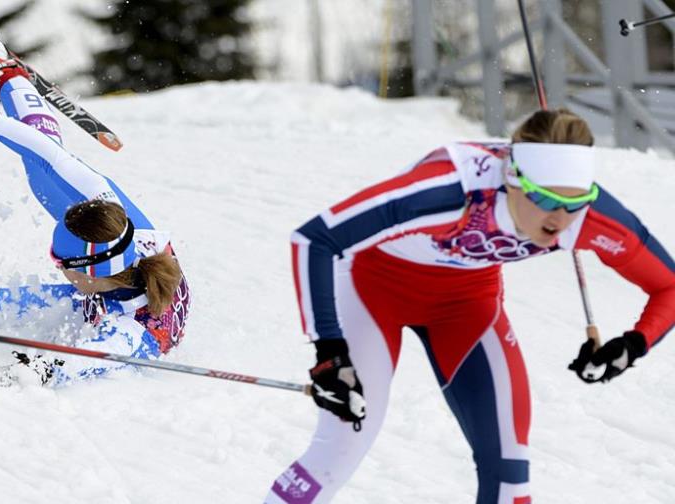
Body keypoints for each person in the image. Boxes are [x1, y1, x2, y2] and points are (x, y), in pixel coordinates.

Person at [265, 109, 675, 503]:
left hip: (467, 302)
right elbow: (315, 238)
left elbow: (669, 286)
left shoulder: (590, 217)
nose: (563, 219)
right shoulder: (447, 190)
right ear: (514, 180)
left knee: (510, 469)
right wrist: (328, 353)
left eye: (577, 202)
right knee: (343, 444)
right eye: (548, 201)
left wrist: (634, 345)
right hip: (374, 286)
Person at [0, 0, 190, 387]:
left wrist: (30, 371)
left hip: (114, 308)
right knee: (44, 171)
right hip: (114, 266)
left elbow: (82, 363)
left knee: (32, 299)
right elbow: (52, 153)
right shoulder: (113, 216)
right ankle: (6, 72)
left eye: (62, 263)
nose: (58, 267)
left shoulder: (130, 330)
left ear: (88, 273)